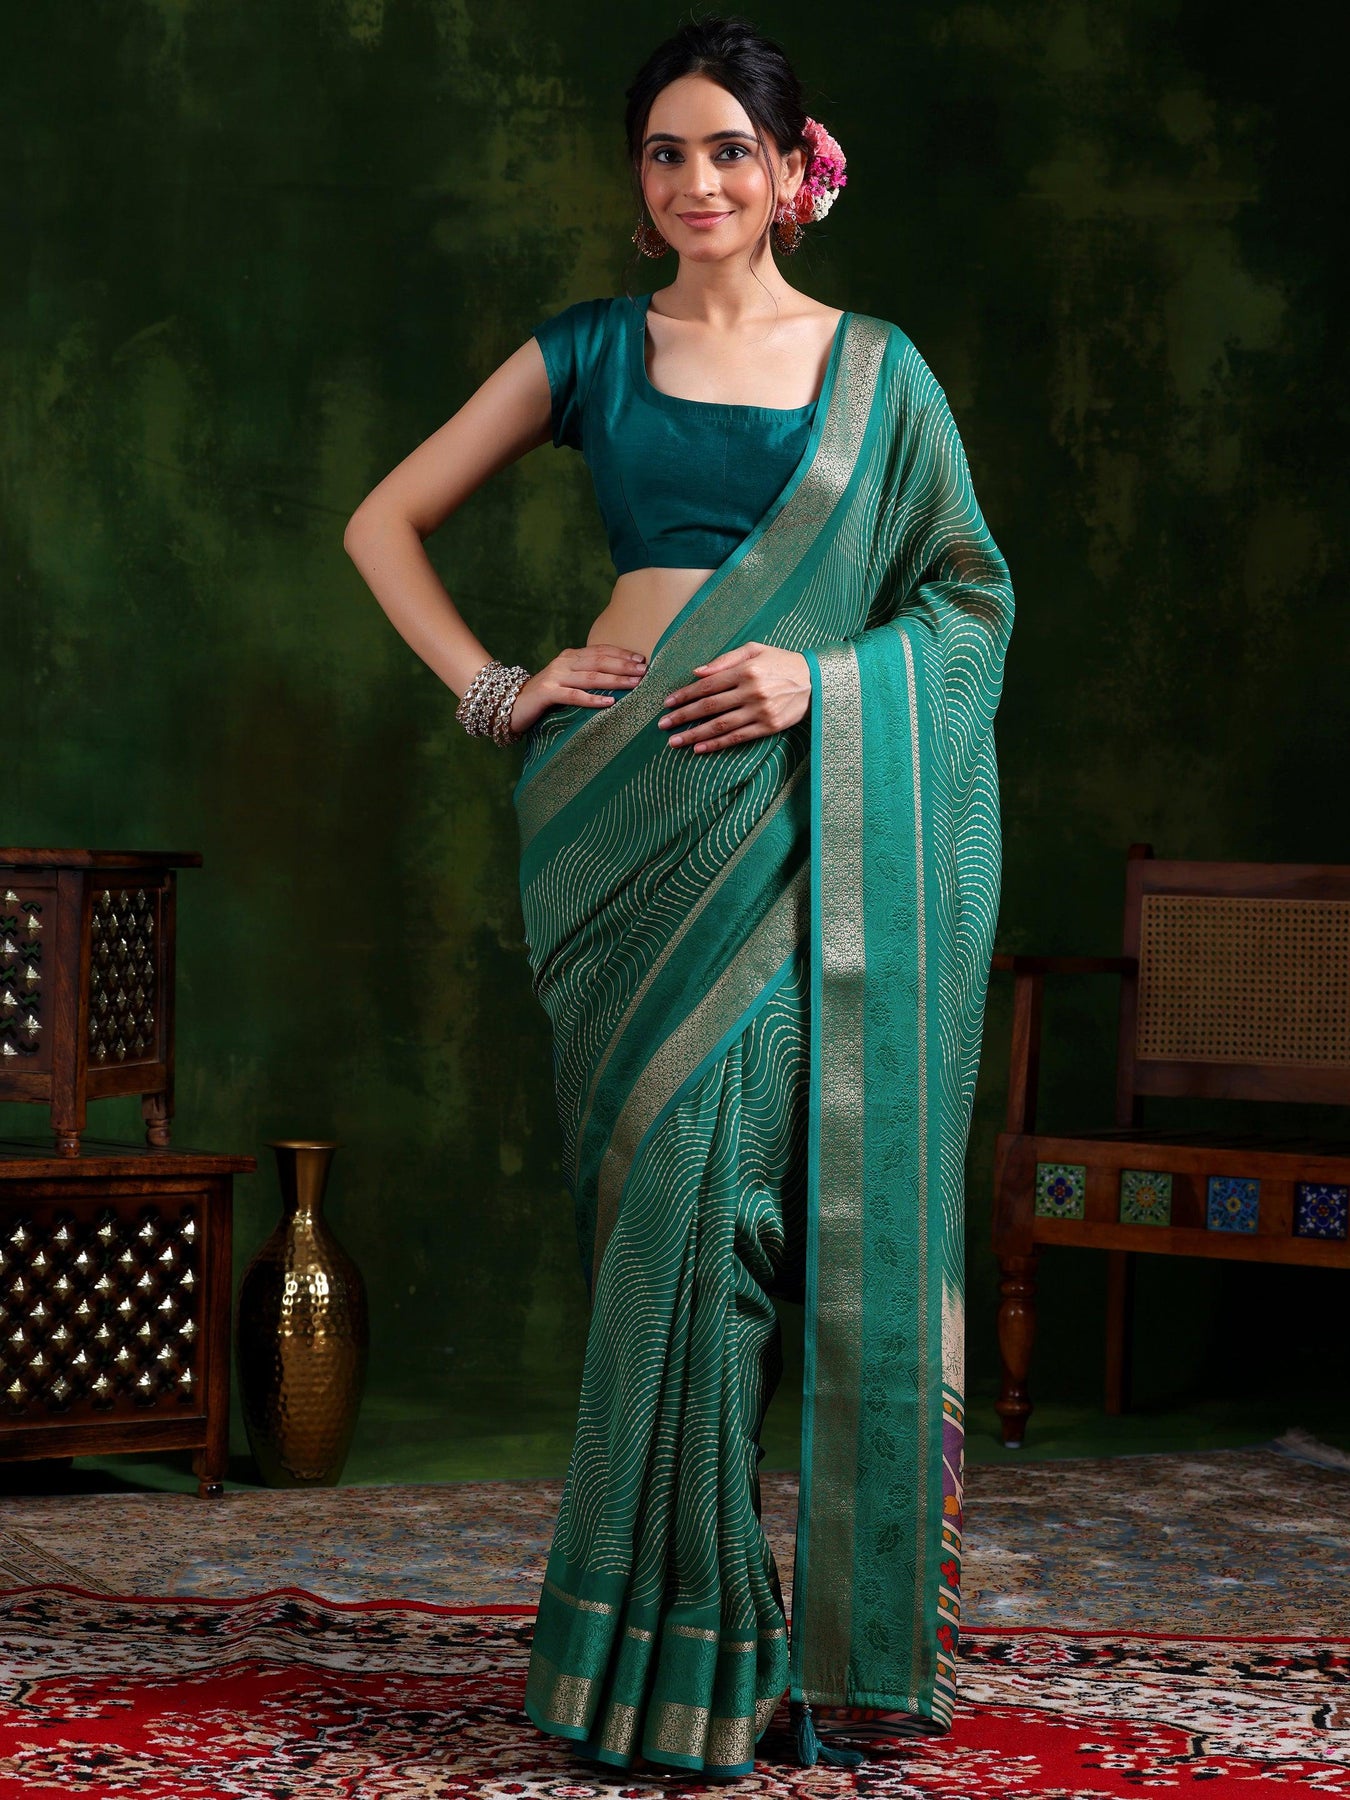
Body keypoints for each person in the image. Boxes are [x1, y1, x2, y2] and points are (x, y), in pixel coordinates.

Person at [344, 14, 1014, 1778]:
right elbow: (381, 522)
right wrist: (496, 689)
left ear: (795, 171)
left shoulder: (876, 374)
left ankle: (714, 1643)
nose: (696, 180)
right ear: (637, 182)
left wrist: (819, 680)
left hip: (797, 822)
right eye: (665, 152)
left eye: (728, 149)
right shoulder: (588, 349)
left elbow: (966, 603)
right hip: (616, 819)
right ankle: (676, 1647)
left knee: (739, 1216)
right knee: (662, 1219)